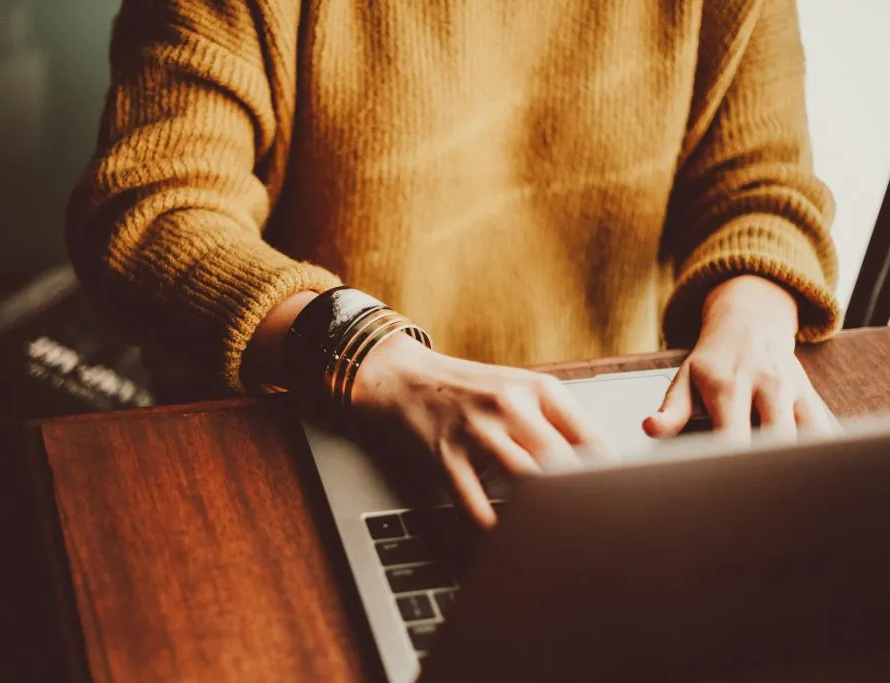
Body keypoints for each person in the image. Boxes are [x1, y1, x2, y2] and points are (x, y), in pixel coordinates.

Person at [66, 0, 840, 530]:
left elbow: (762, 187)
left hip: (602, 443)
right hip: (303, 431)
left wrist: (755, 310)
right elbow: (150, 209)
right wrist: (367, 355)